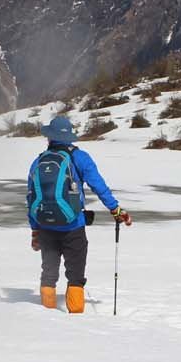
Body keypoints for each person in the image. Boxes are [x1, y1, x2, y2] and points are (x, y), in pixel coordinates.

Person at [27, 115, 131, 314]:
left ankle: (45, 317)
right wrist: (116, 210)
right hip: (73, 225)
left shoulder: (38, 161)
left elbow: (31, 198)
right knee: (75, 276)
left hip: (46, 227)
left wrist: (35, 231)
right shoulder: (80, 157)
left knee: (48, 274)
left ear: (49, 137)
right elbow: (99, 187)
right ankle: (76, 319)